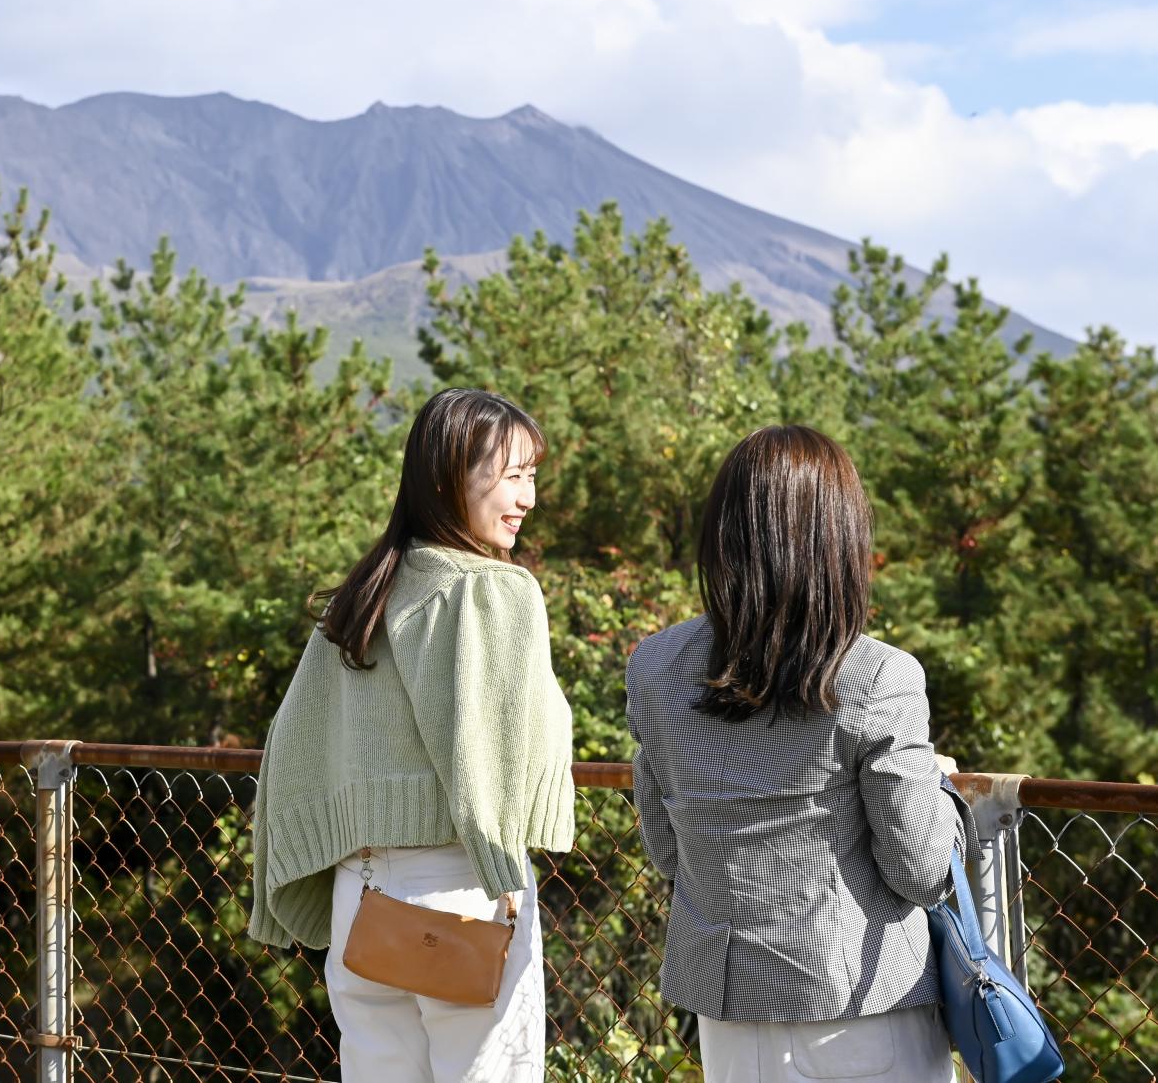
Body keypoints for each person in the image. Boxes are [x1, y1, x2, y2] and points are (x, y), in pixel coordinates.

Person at [247, 387, 577, 1083]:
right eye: (512, 475)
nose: (528, 498)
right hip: (465, 888)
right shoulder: (494, 591)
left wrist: (298, 871)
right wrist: (501, 867)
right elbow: (482, 745)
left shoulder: (360, 597)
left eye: (532, 476)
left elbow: (290, 744)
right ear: (447, 478)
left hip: (361, 903)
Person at [626, 424, 965, 1082]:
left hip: (728, 1017)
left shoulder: (657, 666)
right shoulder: (878, 675)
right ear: (838, 537)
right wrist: (940, 792)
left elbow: (668, 853)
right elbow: (923, 872)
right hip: (864, 1012)